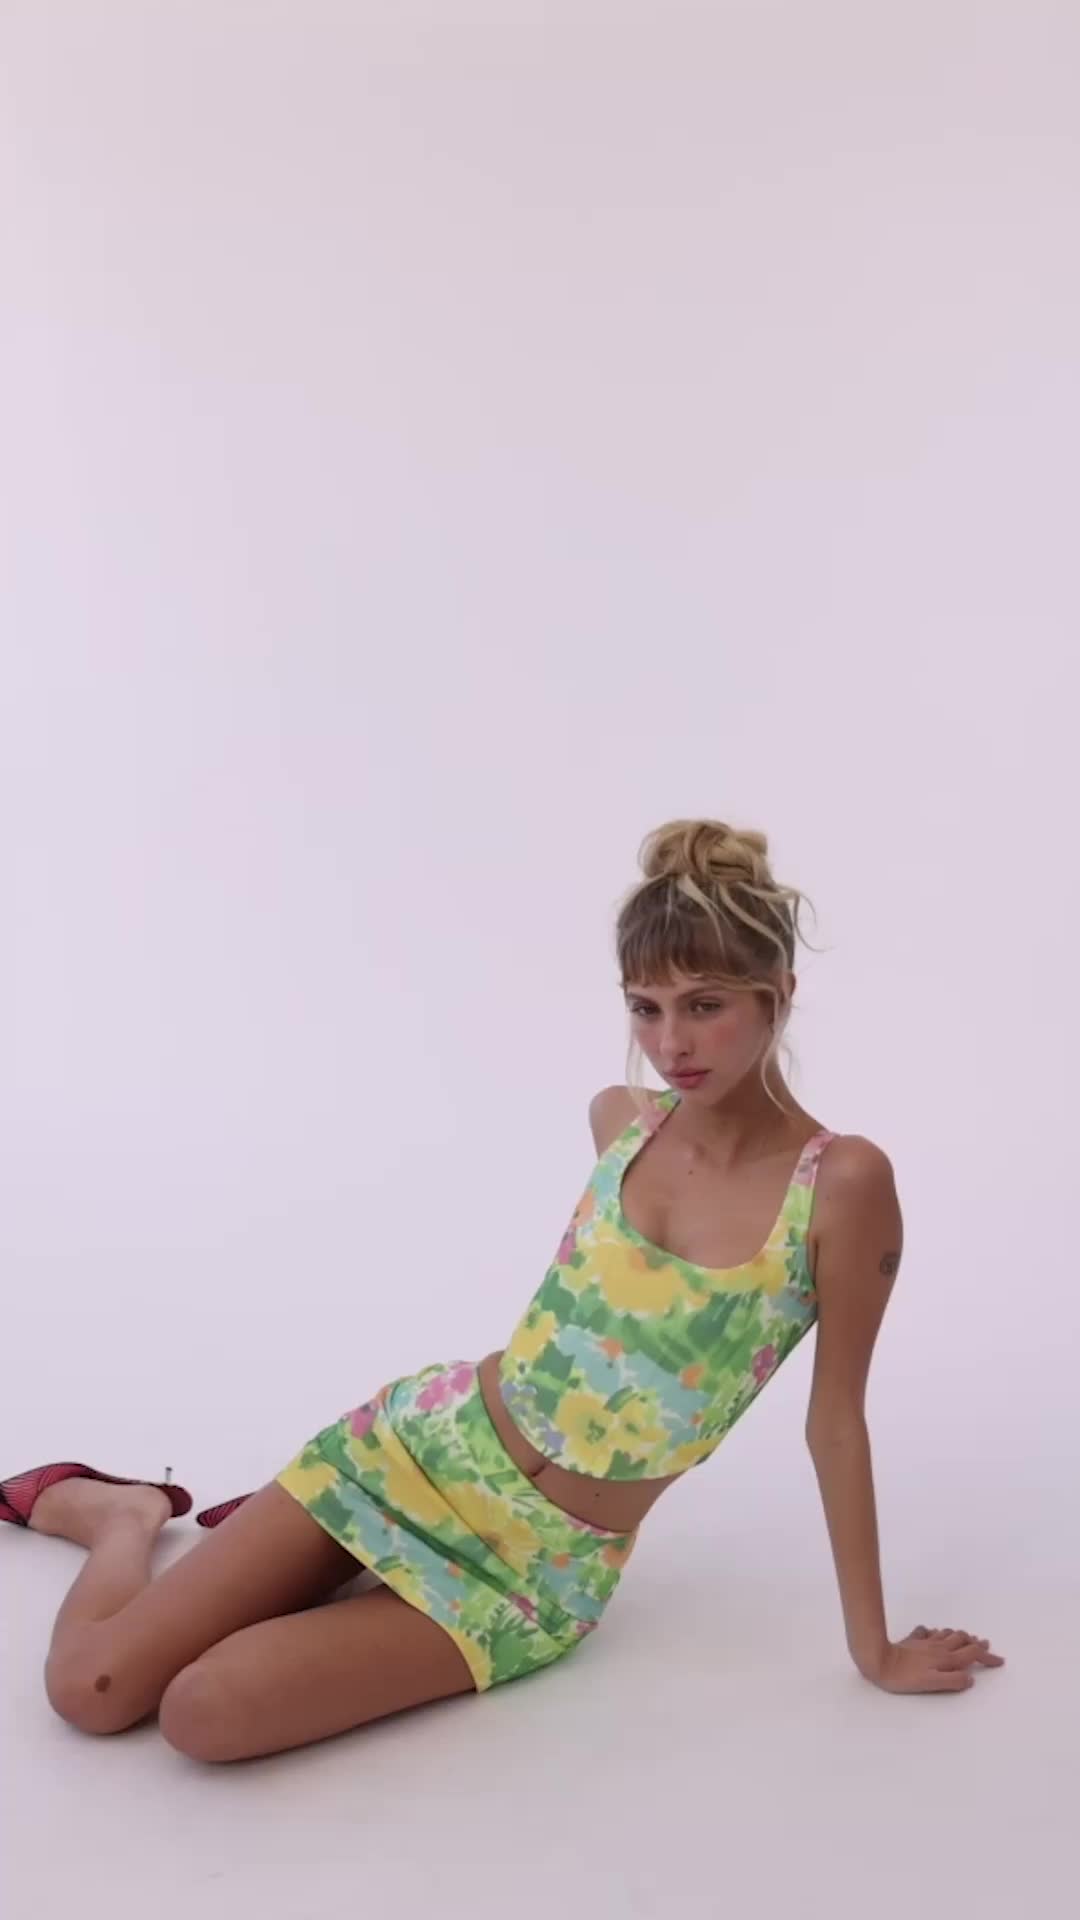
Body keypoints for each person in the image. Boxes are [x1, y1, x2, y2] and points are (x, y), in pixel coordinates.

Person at [2, 818, 1004, 1762]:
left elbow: (836, 1423)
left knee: (203, 1715)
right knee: (90, 1691)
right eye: (646, 1007)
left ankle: (312, 1572)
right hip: (418, 1448)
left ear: (778, 993)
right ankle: (125, 1518)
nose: (671, 1044)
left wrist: (873, 1650)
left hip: (533, 1567)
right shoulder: (623, 1122)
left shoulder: (841, 1185)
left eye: (706, 1005)